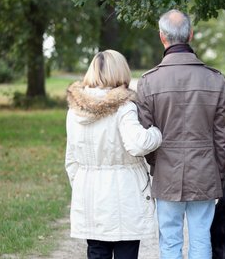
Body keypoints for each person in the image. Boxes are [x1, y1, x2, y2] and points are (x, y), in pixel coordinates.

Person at [136, 9, 225, 259]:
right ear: (190, 34)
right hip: (204, 172)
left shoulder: (148, 82)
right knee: (201, 239)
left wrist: (158, 164)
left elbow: (146, 137)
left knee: (170, 242)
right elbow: (222, 138)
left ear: (162, 37)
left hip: (167, 172)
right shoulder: (216, 80)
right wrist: (220, 173)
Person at [65, 49, 162, 259]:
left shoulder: (74, 111)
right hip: (125, 191)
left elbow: (71, 160)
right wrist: (156, 132)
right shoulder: (124, 107)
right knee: (126, 250)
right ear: (121, 71)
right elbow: (138, 144)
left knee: (97, 251)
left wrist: (83, 184)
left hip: (89, 190)